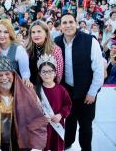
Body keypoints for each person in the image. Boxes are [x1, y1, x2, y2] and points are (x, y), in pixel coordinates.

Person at [54, 12, 104, 151]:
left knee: (86, 125)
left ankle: (86, 148)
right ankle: (68, 143)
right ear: (60, 26)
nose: (68, 25)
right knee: (69, 120)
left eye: (71, 22)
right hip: (67, 91)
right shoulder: (56, 42)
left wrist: (92, 92)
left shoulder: (90, 41)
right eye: (64, 23)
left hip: (86, 92)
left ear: (76, 23)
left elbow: (99, 70)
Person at [0, 55, 48, 151]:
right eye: (0, 75)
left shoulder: (26, 93)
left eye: (7, 74)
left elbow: (36, 119)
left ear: (13, 75)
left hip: (20, 145)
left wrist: (35, 147)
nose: (4, 78)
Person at [36, 54, 72, 151]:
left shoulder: (61, 90)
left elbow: (68, 105)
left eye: (50, 71)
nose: (47, 74)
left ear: (55, 73)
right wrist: (40, 117)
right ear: (39, 73)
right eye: (44, 72)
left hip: (57, 126)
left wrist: (61, 115)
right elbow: (32, 109)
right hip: (42, 127)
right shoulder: (36, 90)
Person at [0, 19, 32, 87]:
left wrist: (26, 80)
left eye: (6, 32)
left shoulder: (19, 49)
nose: (2, 35)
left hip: (13, 87)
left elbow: (25, 73)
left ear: (10, 33)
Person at [27, 20, 63, 85]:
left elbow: (58, 75)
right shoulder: (28, 49)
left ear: (46, 34)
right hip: (32, 87)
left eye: (39, 31)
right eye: (33, 32)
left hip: (49, 88)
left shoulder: (55, 50)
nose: (36, 35)